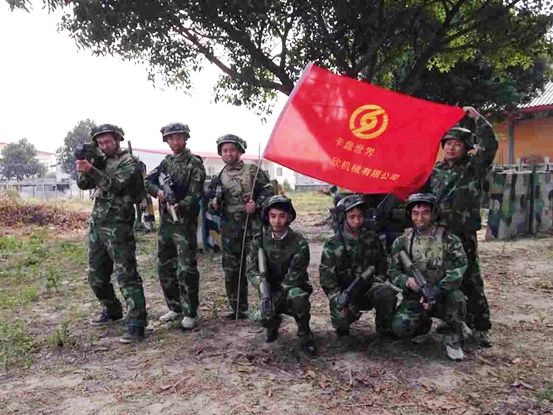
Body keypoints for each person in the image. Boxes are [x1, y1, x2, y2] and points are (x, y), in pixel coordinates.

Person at [423, 106, 497, 347]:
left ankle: (480, 327)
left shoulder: (473, 168)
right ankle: (450, 319)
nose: (451, 148)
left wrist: (477, 118)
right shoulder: (435, 171)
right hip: (439, 235)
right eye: (447, 143)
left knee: (471, 279)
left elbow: (490, 145)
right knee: (442, 278)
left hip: (463, 233)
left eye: (457, 144)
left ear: (466, 147)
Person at [76, 124, 147, 344]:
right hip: (98, 224)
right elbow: (83, 184)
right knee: (95, 275)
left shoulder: (129, 162)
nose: (104, 146)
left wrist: (92, 169)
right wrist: (84, 165)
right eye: (100, 143)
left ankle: (136, 322)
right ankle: (112, 310)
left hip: (119, 225)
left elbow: (115, 185)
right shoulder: (101, 160)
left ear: (117, 140)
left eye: (108, 142)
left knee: (126, 275)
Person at [389, 193, 469, 361]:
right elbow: (393, 271)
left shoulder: (449, 240)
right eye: (415, 213)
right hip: (416, 296)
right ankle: (422, 326)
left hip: (444, 295)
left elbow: (459, 268)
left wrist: (438, 290)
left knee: (458, 300)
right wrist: (406, 281)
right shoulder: (402, 242)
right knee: (400, 327)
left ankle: (453, 337)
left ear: (433, 213)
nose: (420, 218)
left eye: (425, 212)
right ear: (410, 214)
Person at [145, 122, 206, 330]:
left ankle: (190, 312)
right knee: (164, 266)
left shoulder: (194, 163)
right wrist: (159, 193)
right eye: (171, 138)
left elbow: (196, 193)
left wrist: (181, 204)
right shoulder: (166, 162)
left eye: (179, 137)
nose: (175, 141)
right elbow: (148, 181)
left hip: (184, 223)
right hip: (166, 224)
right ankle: (175, 307)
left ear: (186, 138)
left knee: (186, 268)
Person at [208, 134, 273, 319]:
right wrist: (214, 204)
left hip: (252, 226)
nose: (228, 154)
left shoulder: (252, 171)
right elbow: (210, 202)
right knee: (232, 270)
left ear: (240, 151)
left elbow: (269, 190)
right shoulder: (218, 178)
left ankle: (268, 306)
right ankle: (238, 308)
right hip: (230, 229)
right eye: (224, 151)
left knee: (258, 267)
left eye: (232, 150)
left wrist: (257, 204)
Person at [246, 196, 317, 355]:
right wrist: (261, 284)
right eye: (273, 216)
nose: (277, 221)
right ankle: (272, 325)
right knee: (262, 315)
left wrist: (275, 299)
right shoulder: (259, 240)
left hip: (292, 288)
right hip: (269, 288)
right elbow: (251, 269)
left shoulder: (299, 243)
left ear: (289, 217)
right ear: (267, 217)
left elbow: (294, 276)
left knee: (298, 298)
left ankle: (305, 334)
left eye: (282, 216)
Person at [319, 194, 397, 338]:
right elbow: (327, 278)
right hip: (346, 291)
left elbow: (383, 262)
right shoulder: (333, 244)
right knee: (341, 320)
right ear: (343, 218)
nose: (357, 221)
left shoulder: (372, 238)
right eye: (352, 217)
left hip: (369, 289)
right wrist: (337, 298)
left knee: (387, 293)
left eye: (360, 216)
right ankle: (344, 324)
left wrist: (379, 280)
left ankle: (384, 327)